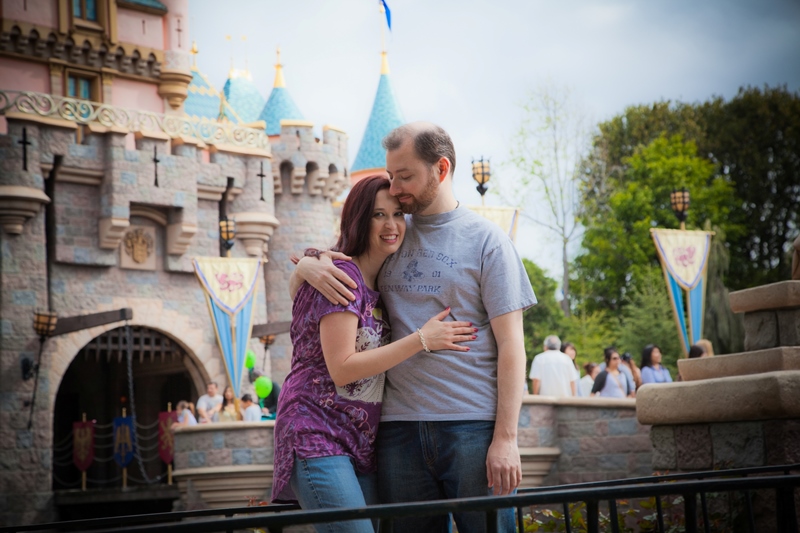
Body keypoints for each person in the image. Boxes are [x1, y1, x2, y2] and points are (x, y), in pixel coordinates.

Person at [291, 122, 536, 532]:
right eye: (392, 176)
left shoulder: (488, 242)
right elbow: (340, 268)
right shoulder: (389, 232)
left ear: (440, 169)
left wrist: (506, 439)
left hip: (471, 428)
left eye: (406, 176)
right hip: (396, 433)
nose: (397, 187)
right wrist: (305, 266)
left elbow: (513, 345)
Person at [273, 174, 476, 533]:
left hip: (361, 441)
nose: (391, 225)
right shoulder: (342, 276)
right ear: (358, 219)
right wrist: (422, 339)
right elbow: (342, 368)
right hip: (315, 432)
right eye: (378, 215)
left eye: (398, 214)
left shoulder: (379, 284)